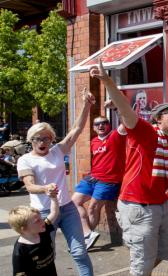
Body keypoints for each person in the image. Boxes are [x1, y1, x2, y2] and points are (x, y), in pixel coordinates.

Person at [89, 60, 168, 276]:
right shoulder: (145, 132)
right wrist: (106, 80)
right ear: (159, 119)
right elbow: (125, 108)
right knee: (141, 263)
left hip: (162, 203)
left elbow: (163, 173)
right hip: (139, 207)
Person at [16, 89, 95, 276]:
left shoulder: (58, 151)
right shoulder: (25, 160)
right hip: (43, 213)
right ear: (31, 140)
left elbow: (76, 129)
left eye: (46, 138)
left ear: (51, 139)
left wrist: (86, 105)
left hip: (67, 208)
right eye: (37, 138)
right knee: (45, 255)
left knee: (79, 252)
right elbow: (29, 186)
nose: (42, 142)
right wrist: (45, 188)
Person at [72, 114, 126, 250]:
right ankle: (87, 234)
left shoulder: (115, 136)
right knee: (74, 202)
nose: (101, 125)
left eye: (104, 123)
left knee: (93, 207)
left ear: (109, 125)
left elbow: (126, 119)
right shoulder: (94, 141)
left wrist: (115, 106)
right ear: (94, 128)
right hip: (92, 177)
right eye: (97, 124)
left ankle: (85, 240)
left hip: (108, 180)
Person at [9, 186, 59, 275]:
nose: (42, 221)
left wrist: (53, 198)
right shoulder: (20, 252)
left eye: (41, 218)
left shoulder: (42, 229)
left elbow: (54, 213)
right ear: (24, 228)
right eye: (37, 221)